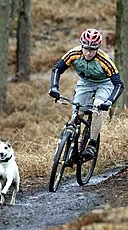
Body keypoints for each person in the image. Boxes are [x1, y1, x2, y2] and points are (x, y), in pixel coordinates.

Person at [49, 28, 124, 159]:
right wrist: (54, 87)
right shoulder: (74, 53)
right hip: (85, 83)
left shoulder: (105, 60)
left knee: (97, 107)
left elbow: (119, 85)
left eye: (92, 50)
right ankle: (73, 140)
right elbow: (57, 69)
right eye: (86, 48)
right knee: (78, 112)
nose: (88, 53)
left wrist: (109, 102)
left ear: (98, 48)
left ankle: (92, 144)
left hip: (104, 83)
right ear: (81, 45)